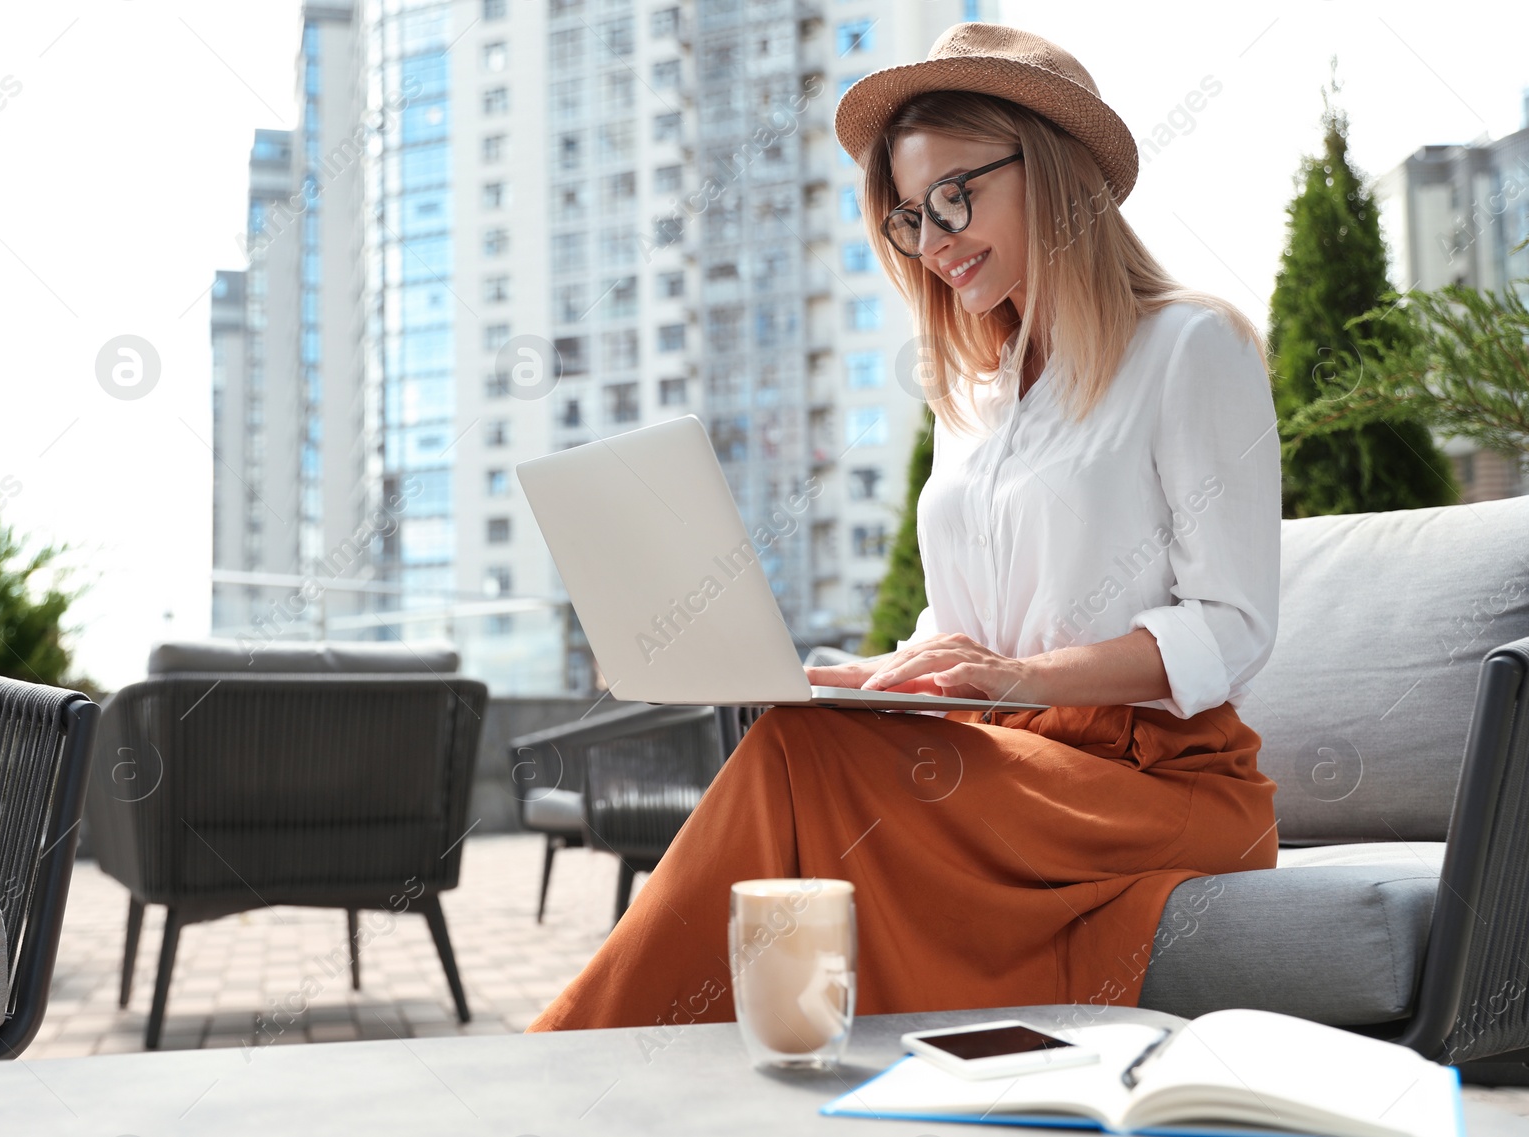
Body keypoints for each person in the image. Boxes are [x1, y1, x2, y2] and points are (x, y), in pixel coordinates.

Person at [526, 22, 1281, 1035]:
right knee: (804, 729)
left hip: (1154, 785)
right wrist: (867, 677)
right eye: (909, 219)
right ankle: (671, 1063)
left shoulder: (1193, 348)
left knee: (799, 761)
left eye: (954, 199)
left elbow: (1233, 626)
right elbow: (959, 631)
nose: (932, 244)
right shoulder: (974, 395)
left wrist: (1023, 680)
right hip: (1010, 764)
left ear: (1052, 172)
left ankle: (581, 1055)